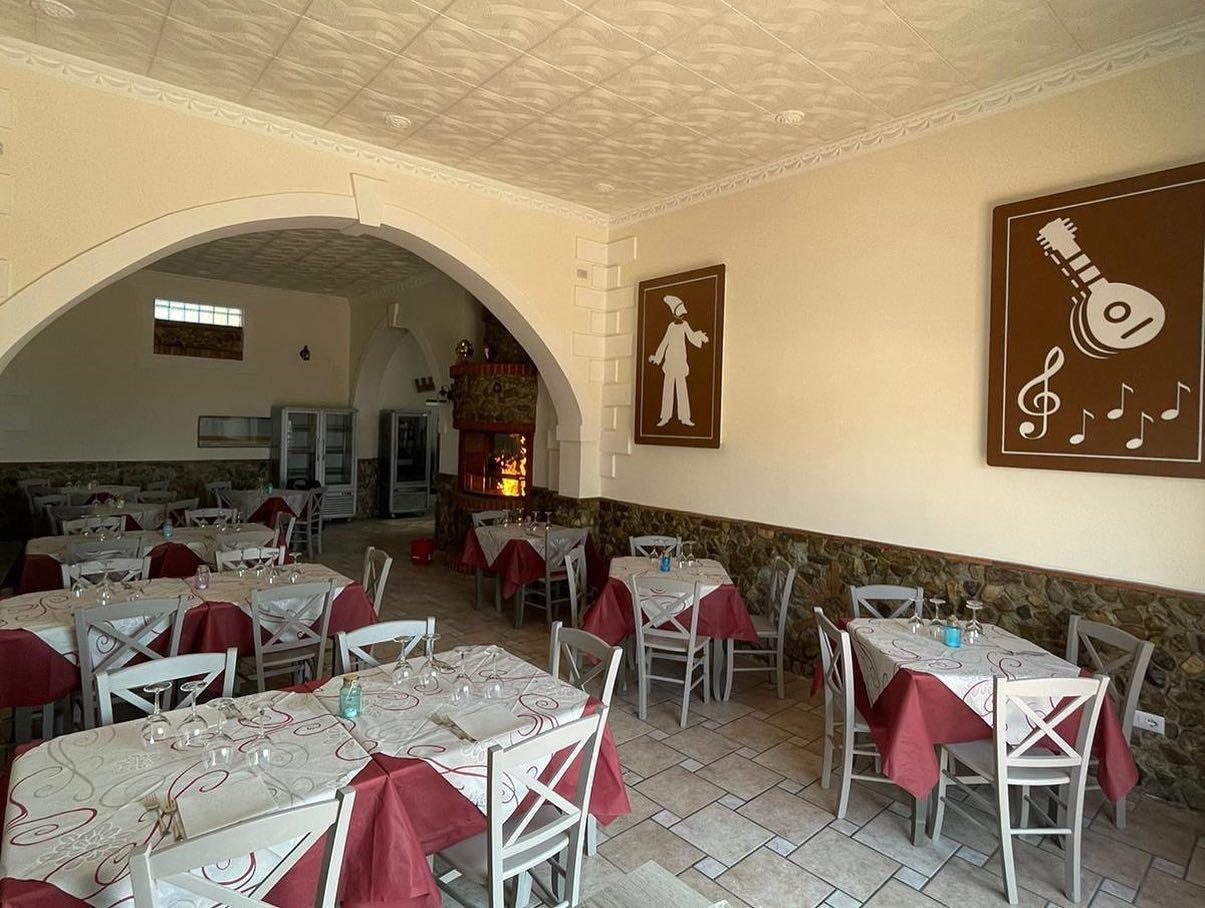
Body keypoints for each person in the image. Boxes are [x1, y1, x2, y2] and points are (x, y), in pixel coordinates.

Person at [648, 294, 709, 427]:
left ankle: (685, 417)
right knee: (668, 389)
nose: (681, 316)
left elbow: (691, 336)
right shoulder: (671, 326)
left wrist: (700, 337)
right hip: (670, 362)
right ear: (675, 314)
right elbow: (664, 342)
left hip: (680, 362)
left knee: (682, 389)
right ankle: (665, 417)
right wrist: (657, 357)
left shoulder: (685, 325)